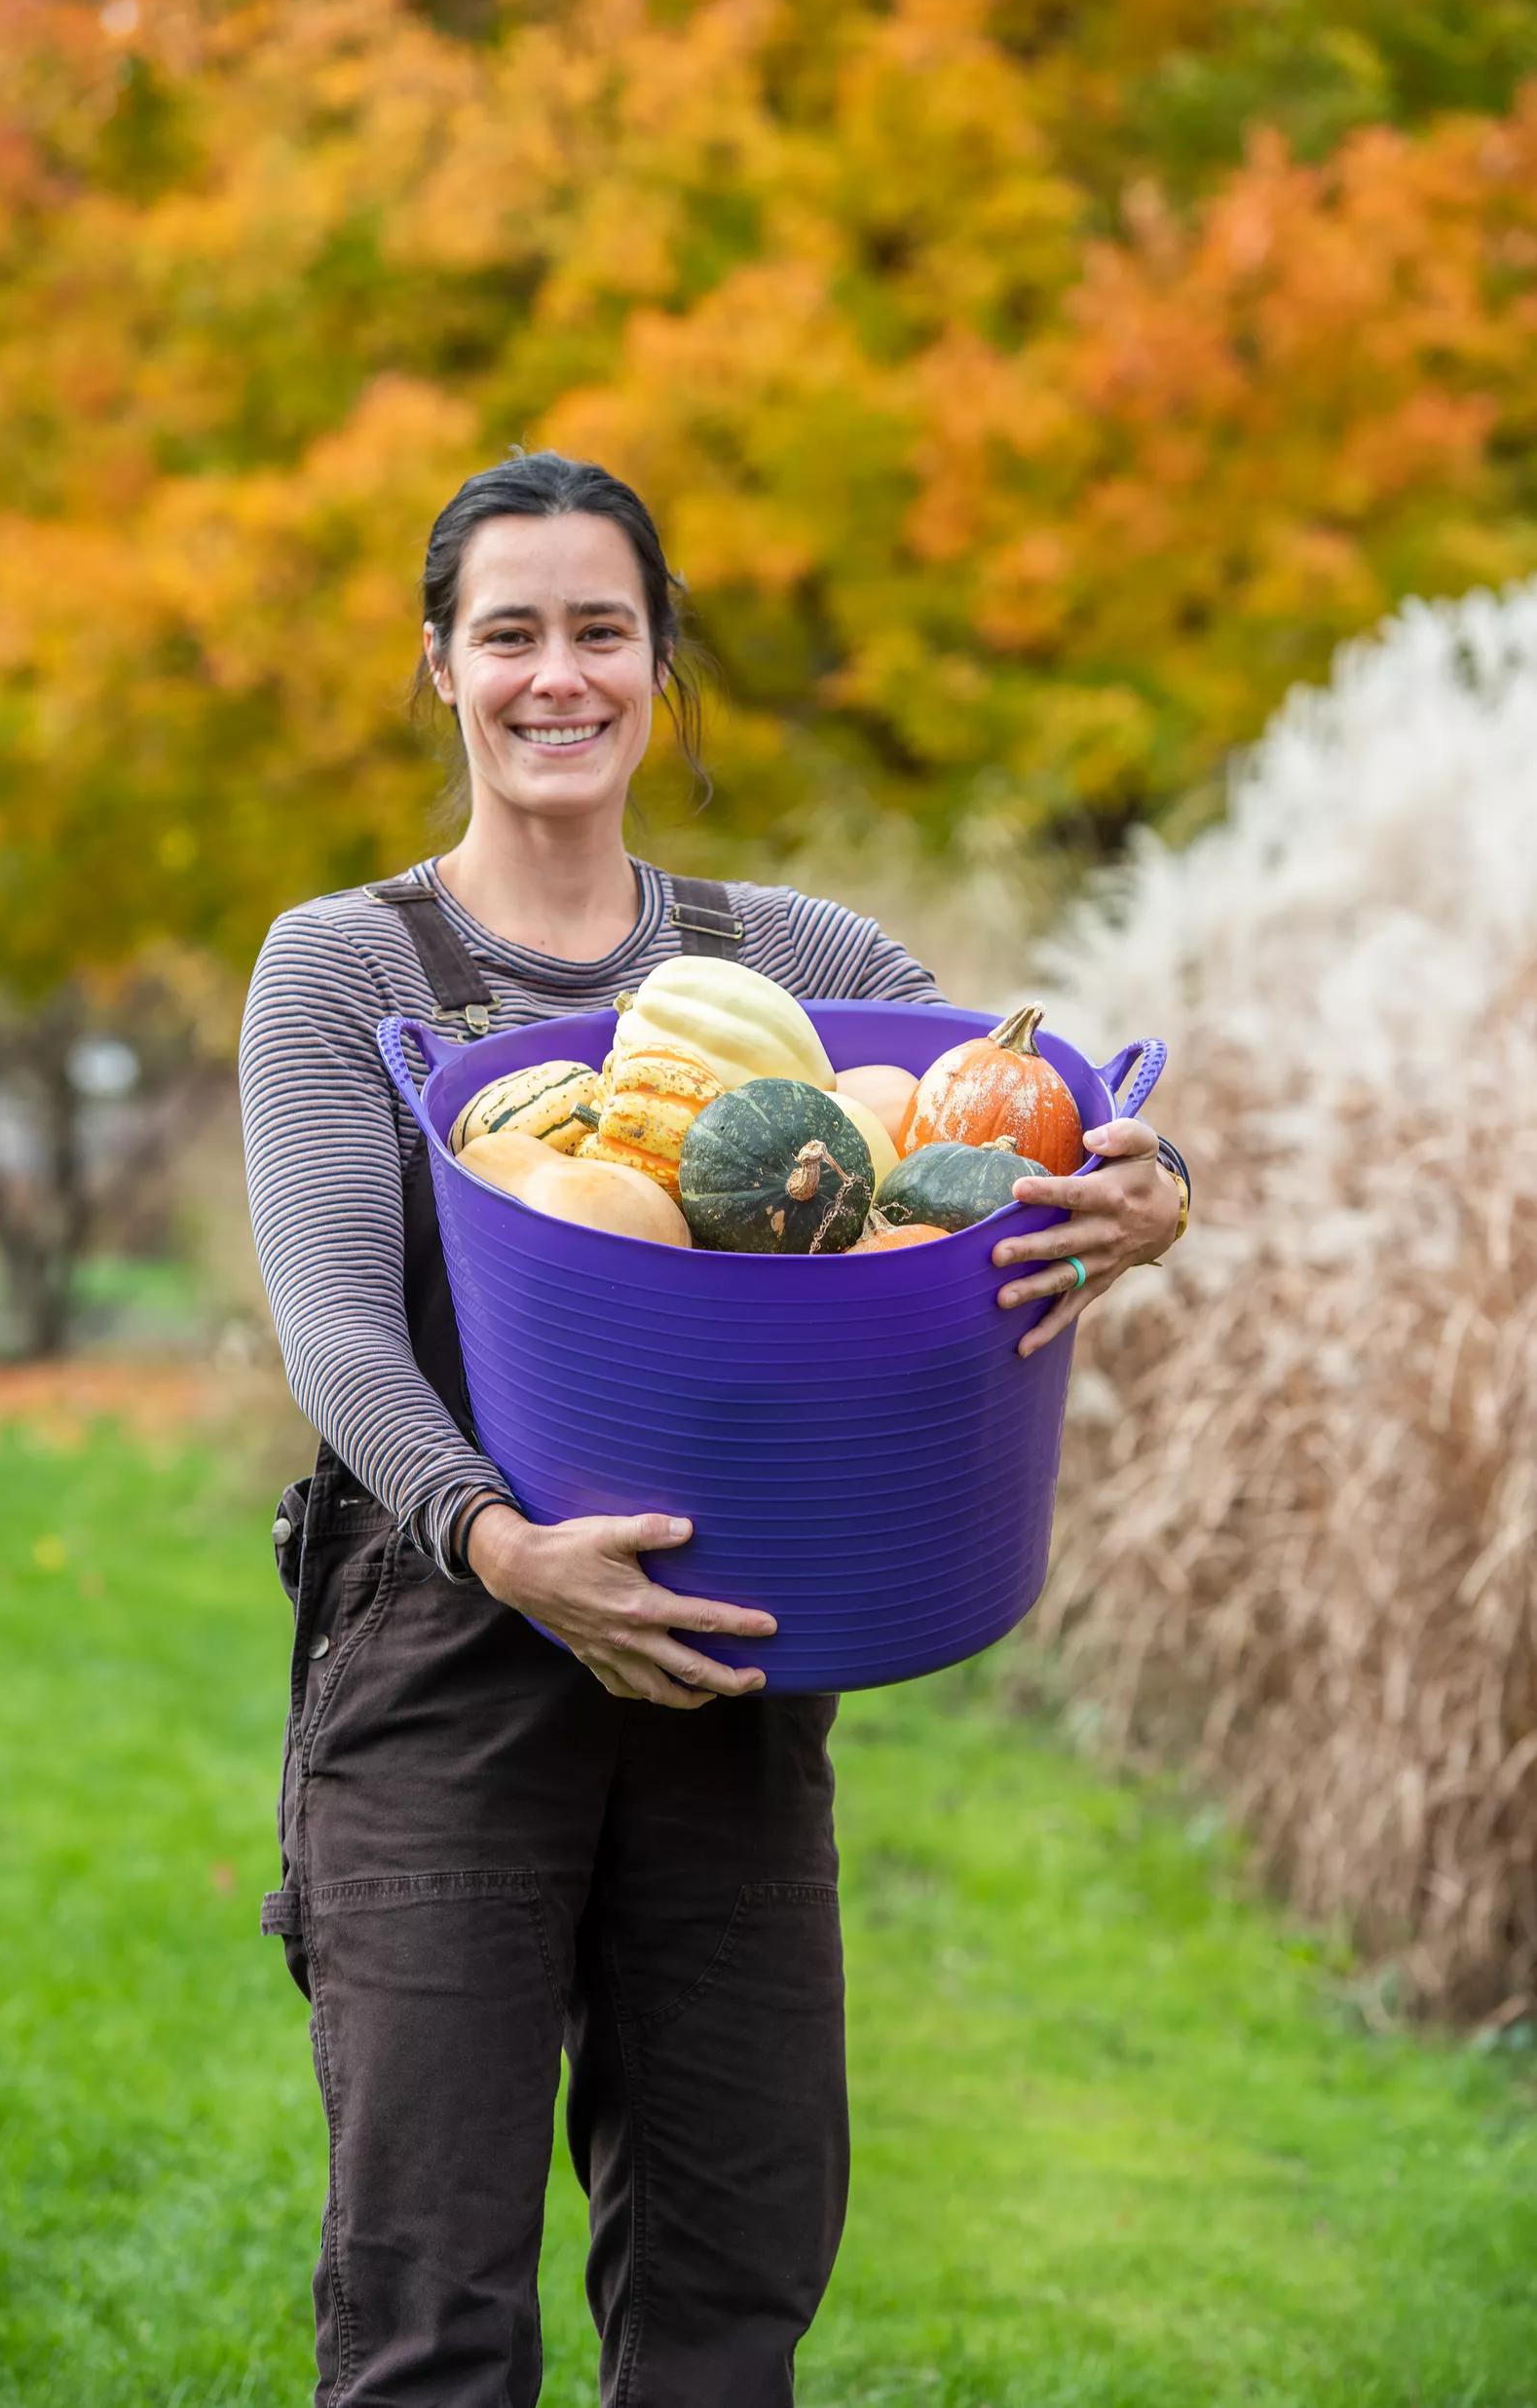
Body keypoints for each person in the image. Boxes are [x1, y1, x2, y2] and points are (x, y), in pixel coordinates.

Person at [238, 449, 1188, 2408]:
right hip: (445, 1667)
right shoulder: (344, 968)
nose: (557, 674)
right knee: (427, 2308)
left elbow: (1008, 1117)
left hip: (733, 1669)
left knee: (728, 2291)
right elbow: (337, 1333)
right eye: (511, 633)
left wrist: (1147, 1179)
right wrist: (508, 1549)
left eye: (604, 628)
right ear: (441, 666)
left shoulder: (807, 969)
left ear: (661, 666)